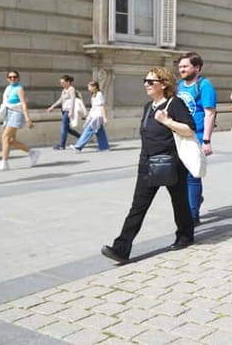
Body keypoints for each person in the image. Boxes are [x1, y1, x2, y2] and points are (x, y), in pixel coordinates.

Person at [101, 68, 195, 263]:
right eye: (145, 81)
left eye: (150, 81)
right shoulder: (147, 106)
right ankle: (121, 248)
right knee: (138, 206)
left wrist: (167, 121)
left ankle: (185, 236)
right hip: (147, 164)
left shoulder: (175, 104)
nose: (146, 84)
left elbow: (189, 129)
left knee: (179, 202)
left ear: (164, 84)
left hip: (170, 163)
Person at [176, 52, 217, 226]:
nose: (182, 70)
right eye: (180, 67)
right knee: (181, 176)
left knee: (193, 175)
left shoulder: (204, 85)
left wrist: (206, 141)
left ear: (197, 67)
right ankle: (194, 200)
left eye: (185, 66)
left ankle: (193, 215)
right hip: (179, 136)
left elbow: (210, 114)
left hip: (197, 136)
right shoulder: (179, 85)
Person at [0, 71, 39, 172]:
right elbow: (4, 104)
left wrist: (28, 119)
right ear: (7, 78)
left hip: (16, 113)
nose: (13, 79)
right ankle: (33, 153)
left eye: (15, 77)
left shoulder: (19, 89)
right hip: (8, 113)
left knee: (5, 137)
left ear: (18, 78)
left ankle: (4, 163)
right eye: (10, 77)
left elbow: (24, 104)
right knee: (10, 140)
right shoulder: (8, 88)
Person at [73, 81, 110, 152]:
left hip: (98, 116)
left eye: (89, 87)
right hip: (94, 115)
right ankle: (104, 147)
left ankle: (78, 146)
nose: (88, 88)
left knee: (89, 130)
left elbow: (102, 106)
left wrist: (104, 117)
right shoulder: (93, 95)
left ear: (94, 86)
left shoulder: (99, 94)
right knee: (99, 131)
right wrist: (88, 116)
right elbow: (93, 107)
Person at [47, 75, 81, 150]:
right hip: (64, 110)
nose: (61, 84)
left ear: (68, 82)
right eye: (61, 83)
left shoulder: (71, 89)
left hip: (68, 110)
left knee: (63, 127)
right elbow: (61, 100)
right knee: (67, 128)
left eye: (63, 82)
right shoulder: (64, 90)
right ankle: (81, 137)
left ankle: (62, 145)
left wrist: (71, 111)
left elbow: (73, 100)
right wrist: (52, 106)